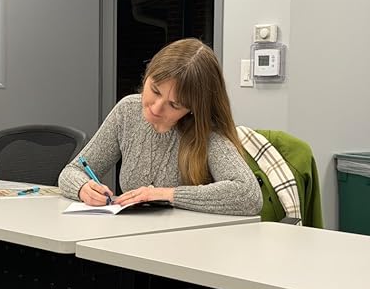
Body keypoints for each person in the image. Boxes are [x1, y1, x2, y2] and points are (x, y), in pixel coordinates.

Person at [58, 37, 262, 215]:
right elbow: (73, 171)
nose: (156, 108)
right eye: (155, 90)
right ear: (147, 75)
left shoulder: (206, 131)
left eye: (174, 105)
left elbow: (249, 195)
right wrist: (83, 187)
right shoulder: (128, 111)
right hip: (132, 237)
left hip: (190, 241)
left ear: (192, 109)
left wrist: (165, 195)